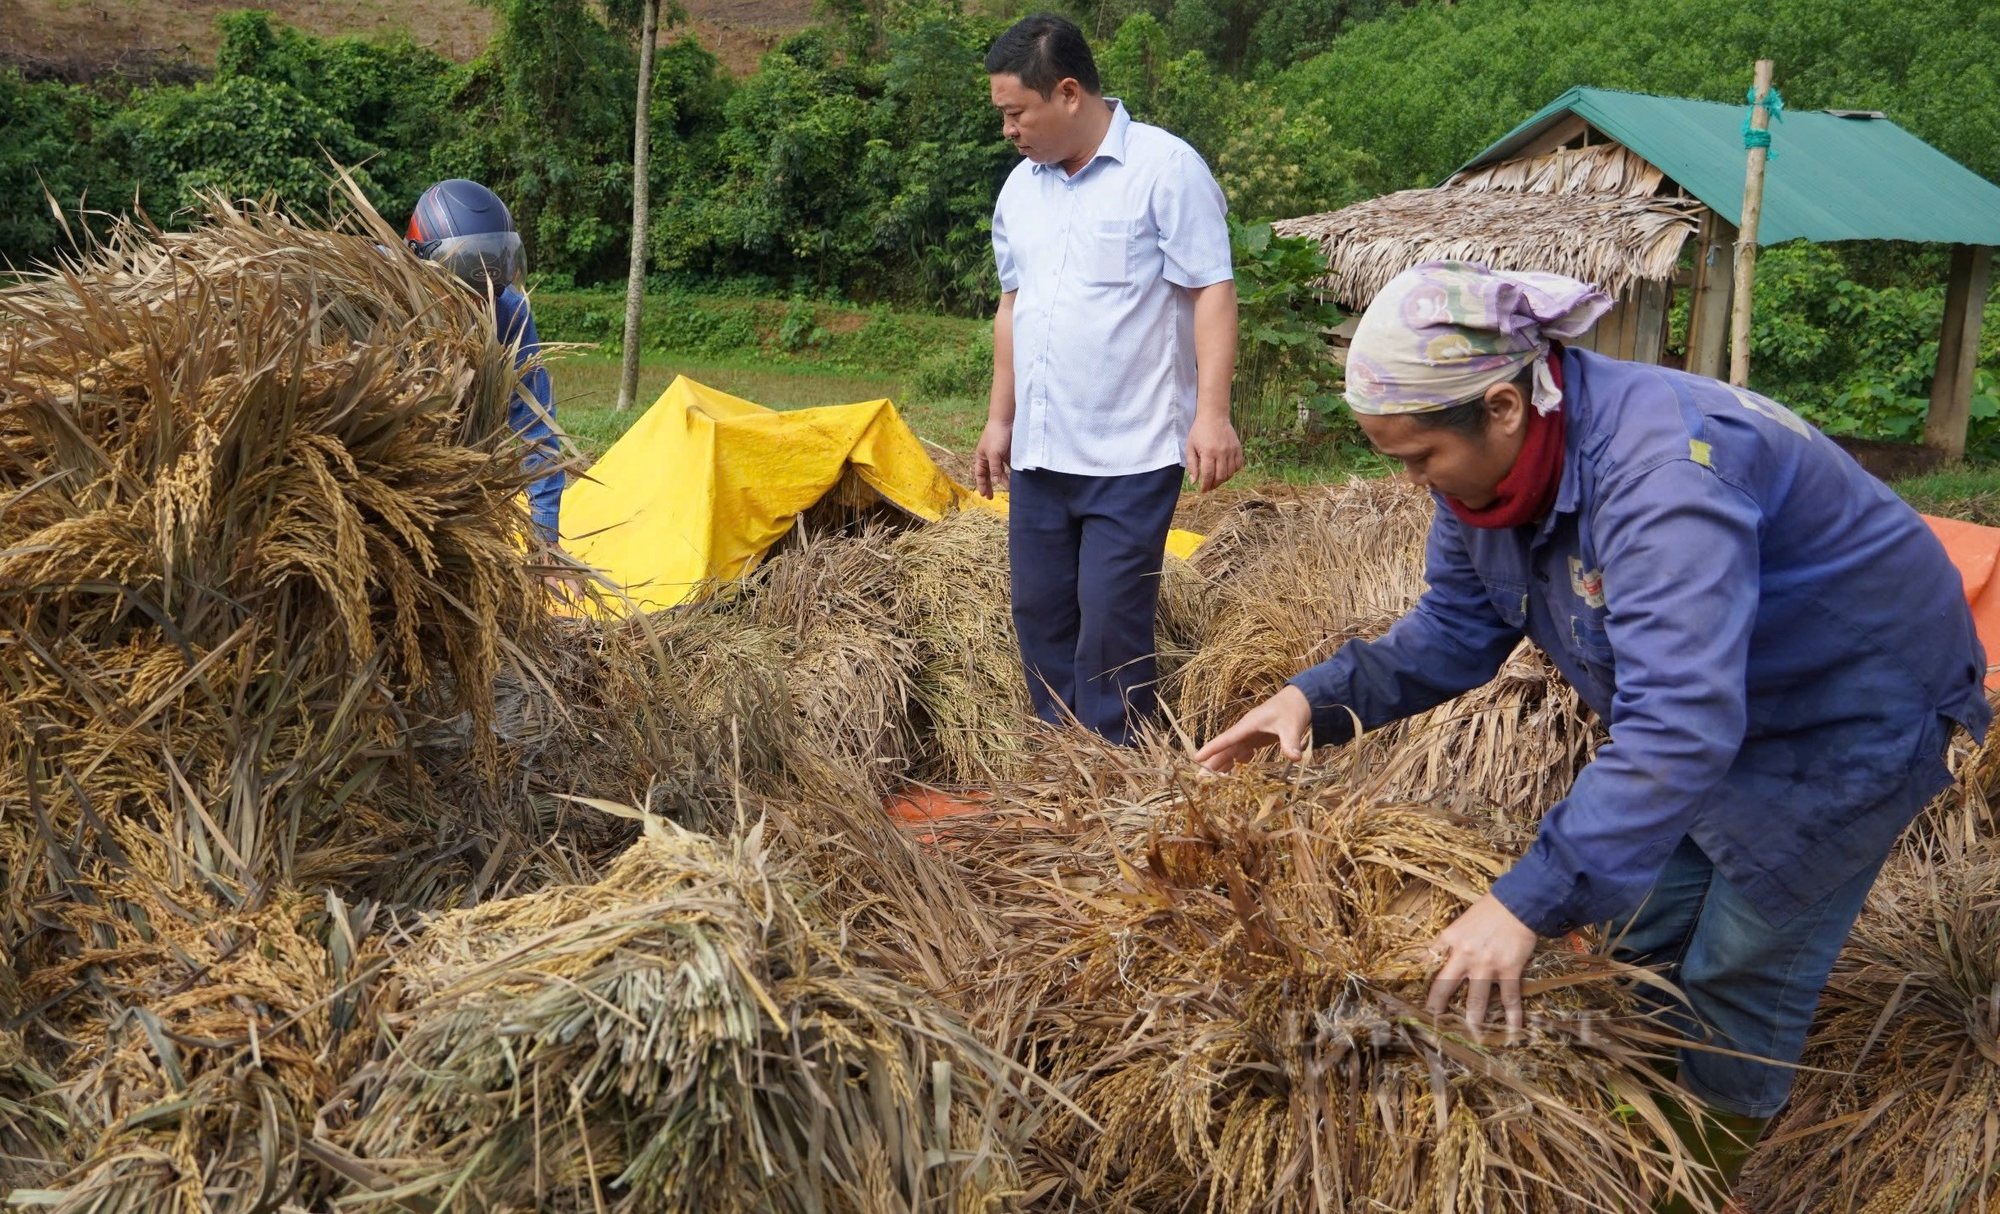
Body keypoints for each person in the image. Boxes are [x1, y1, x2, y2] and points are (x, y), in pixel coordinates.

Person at [1194, 260, 1989, 1211]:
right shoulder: (1490, 481)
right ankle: (1633, 1131)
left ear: (1500, 407)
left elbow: (1683, 723)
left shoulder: (1660, 481)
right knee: (1644, 928)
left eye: (1416, 458)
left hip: (1850, 703)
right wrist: (1312, 701)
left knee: (1742, 956)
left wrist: (1524, 904)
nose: (1411, 484)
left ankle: (1692, 1184)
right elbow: (1455, 629)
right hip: (1718, 696)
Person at [977, 13, 1243, 745]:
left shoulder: (1164, 168)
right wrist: (1001, 419)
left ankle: (1116, 771)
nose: (1009, 130)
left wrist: (1211, 415)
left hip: (1131, 449)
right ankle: (1061, 762)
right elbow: (1013, 308)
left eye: (1016, 112)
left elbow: (1211, 290)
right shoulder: (1020, 193)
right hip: (1041, 447)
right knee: (1039, 612)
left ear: (1067, 93)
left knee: (1110, 622)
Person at [405, 179, 569, 573]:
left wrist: (544, 539)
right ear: (421, 262)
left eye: (494, 271)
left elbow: (536, 426)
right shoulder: (373, 294)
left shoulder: (507, 312)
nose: (483, 298)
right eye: (466, 274)